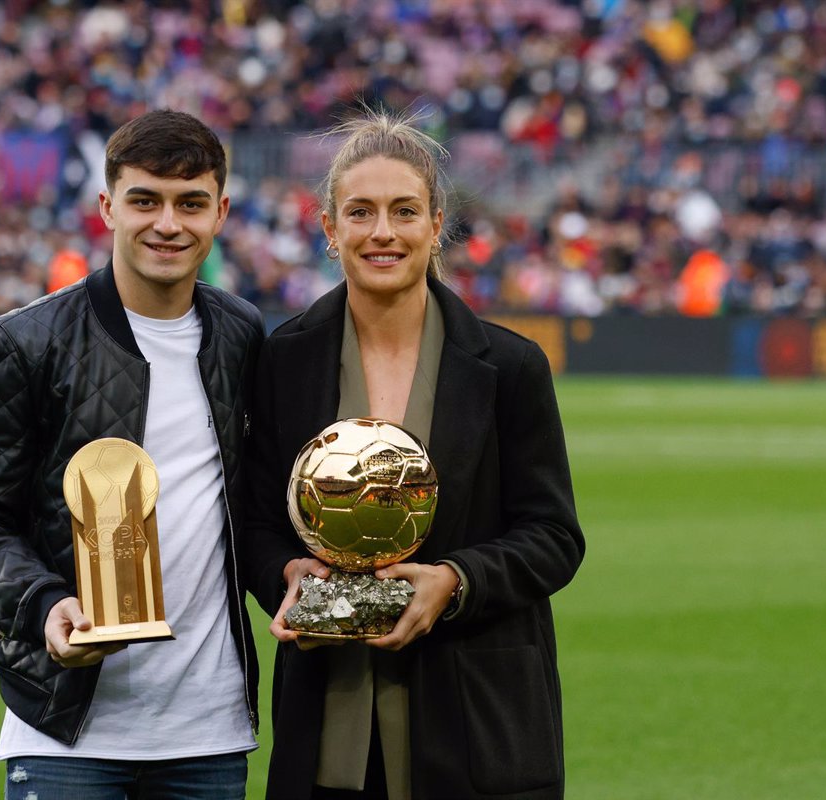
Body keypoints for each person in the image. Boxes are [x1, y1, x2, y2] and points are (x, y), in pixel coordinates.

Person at [242, 113, 585, 800]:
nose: (382, 233)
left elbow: (553, 537)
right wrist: (287, 574)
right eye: (360, 213)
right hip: (326, 729)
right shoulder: (282, 360)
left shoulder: (510, 367)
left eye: (404, 212)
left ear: (435, 226)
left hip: (475, 728)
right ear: (329, 228)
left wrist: (454, 581)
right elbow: (251, 519)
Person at [0, 109, 264, 799]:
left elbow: (253, 508)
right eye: (145, 200)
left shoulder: (243, 336)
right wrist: (43, 604)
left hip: (209, 733)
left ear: (221, 212)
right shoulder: (26, 340)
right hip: (65, 730)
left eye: (190, 203)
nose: (167, 223)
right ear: (108, 206)